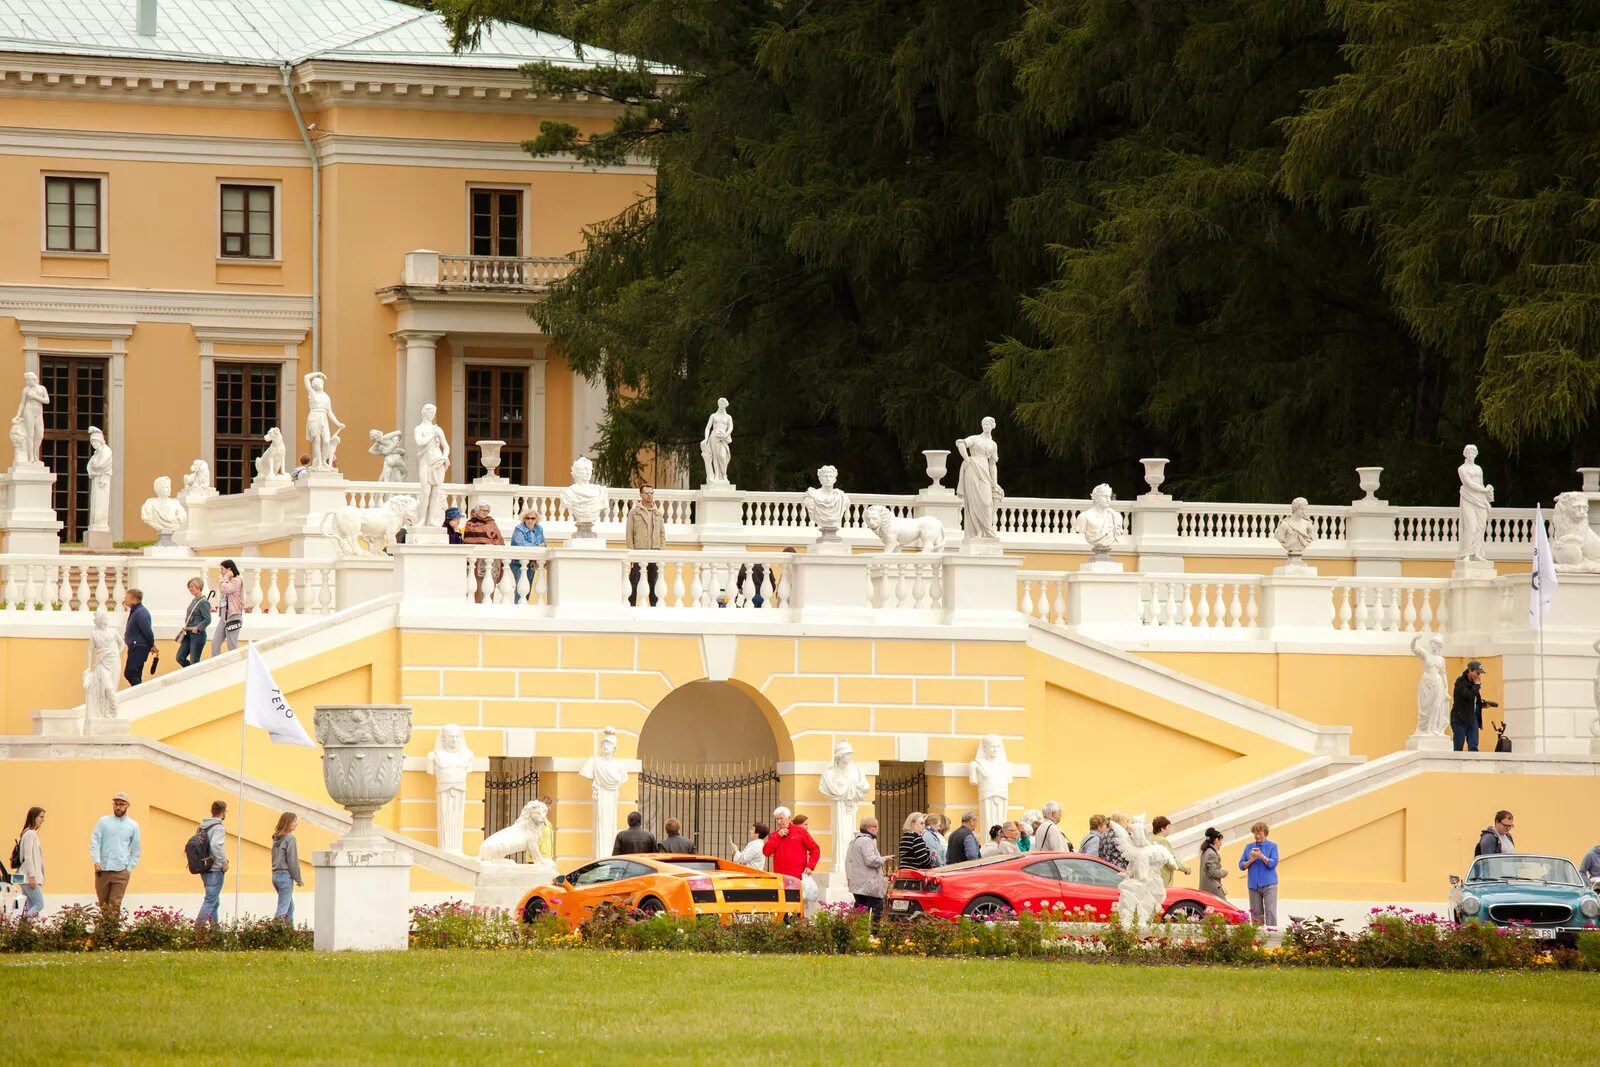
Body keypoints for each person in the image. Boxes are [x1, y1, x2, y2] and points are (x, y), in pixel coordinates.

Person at [89, 792, 141, 913]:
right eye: (116, 804)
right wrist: (96, 860)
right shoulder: (103, 821)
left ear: (127, 806)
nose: (118, 807)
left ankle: (112, 932)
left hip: (121, 871)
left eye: (121, 804)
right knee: (103, 905)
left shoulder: (133, 825)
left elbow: (136, 849)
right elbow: (95, 841)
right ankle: (103, 931)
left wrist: (129, 868)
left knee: (114, 905)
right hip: (102, 870)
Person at [626, 483, 665, 606]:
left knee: (654, 581)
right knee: (635, 580)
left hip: (654, 551)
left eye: (651, 493)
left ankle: (654, 606)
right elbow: (629, 533)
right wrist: (631, 552)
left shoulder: (657, 512)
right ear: (641, 494)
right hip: (639, 551)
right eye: (647, 493)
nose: (649, 495)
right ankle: (631, 606)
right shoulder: (634, 512)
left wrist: (662, 551)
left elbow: (662, 533)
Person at [194, 800, 230, 927]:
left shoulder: (202, 826)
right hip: (215, 868)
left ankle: (216, 932)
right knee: (210, 900)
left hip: (204, 868)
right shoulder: (218, 828)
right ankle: (198, 929)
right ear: (223, 812)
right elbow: (216, 846)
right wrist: (223, 862)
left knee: (214, 901)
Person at [1450, 660, 1498, 752]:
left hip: (1472, 718)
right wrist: (1476, 685)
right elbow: (1469, 695)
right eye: (1477, 673)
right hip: (1460, 718)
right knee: (1458, 747)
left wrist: (1482, 705)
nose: (1479, 676)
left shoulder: (1474, 683)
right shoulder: (1460, 682)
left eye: (1480, 673)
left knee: (1473, 746)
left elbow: (1473, 700)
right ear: (1470, 670)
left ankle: (1473, 765)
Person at [762, 806, 820, 881]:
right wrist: (778, 836)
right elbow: (766, 852)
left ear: (789, 818)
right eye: (777, 819)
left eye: (781, 818)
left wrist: (810, 866)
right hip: (780, 877)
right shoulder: (774, 835)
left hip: (798, 876)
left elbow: (815, 849)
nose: (779, 822)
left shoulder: (800, 831)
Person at [846, 817, 887, 920]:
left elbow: (848, 861)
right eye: (875, 826)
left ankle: (856, 933)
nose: (877, 828)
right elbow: (871, 861)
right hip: (869, 884)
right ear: (869, 827)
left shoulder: (855, 841)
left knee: (860, 910)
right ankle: (874, 934)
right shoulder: (866, 841)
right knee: (876, 909)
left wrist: (849, 878)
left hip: (858, 883)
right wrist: (883, 859)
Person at [1239, 821, 1279, 926]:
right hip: (1253, 886)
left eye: (1260, 833)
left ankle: (1272, 936)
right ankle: (1258, 939)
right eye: (1255, 834)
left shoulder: (1272, 846)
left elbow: (1273, 863)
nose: (1257, 836)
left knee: (1270, 911)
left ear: (1265, 833)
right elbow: (1241, 865)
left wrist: (1262, 857)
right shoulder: (1248, 847)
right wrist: (1251, 859)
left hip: (1269, 884)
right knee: (1256, 914)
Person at [462, 502, 505, 598]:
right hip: (477, 560)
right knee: (478, 584)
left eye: (487, 511)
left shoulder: (491, 522)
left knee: (491, 583)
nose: (486, 513)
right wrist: (486, 542)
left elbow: (498, 538)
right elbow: (469, 540)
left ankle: (489, 605)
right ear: (477, 510)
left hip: (492, 558)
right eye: (483, 510)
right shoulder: (470, 523)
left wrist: (494, 544)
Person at [270, 811, 302, 924]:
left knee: (289, 908)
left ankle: (289, 937)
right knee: (282, 910)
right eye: (294, 821)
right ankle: (272, 935)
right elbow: (292, 860)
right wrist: (298, 879)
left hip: (275, 875)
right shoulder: (290, 839)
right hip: (285, 876)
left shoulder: (276, 838)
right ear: (288, 823)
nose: (296, 824)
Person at [510, 509, 546, 603]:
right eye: (528, 518)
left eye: (533, 518)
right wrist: (537, 546)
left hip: (532, 562)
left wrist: (538, 546)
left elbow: (543, 544)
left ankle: (524, 605)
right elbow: (522, 544)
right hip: (518, 563)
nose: (530, 520)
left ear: (536, 519)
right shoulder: (519, 529)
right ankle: (518, 607)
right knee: (521, 584)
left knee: (528, 586)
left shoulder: (539, 528)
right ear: (524, 519)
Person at [176, 577, 211, 668]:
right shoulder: (194, 600)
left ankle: (194, 674)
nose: (190, 589)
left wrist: (197, 628)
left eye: (192, 586)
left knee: (194, 661)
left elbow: (207, 619)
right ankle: (192, 672)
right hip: (188, 634)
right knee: (180, 657)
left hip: (197, 635)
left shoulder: (203, 602)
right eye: (189, 587)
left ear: (199, 587)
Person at [122, 588, 154, 687]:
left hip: (139, 647)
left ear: (135, 599)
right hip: (136, 647)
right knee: (136, 674)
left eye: (127, 597)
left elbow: (147, 630)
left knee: (130, 673)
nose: (125, 599)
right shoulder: (136, 611)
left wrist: (151, 644)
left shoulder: (140, 612)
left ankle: (142, 692)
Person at [17, 806, 45, 917]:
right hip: (29, 878)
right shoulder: (30, 834)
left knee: (30, 905)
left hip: (27, 877)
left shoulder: (27, 833)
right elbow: (28, 857)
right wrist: (32, 876)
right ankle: (22, 926)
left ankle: (25, 932)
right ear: (34, 817)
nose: (43, 820)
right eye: (41, 817)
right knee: (39, 904)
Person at [212, 559, 243, 656]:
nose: (220, 571)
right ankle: (216, 666)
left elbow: (225, 589)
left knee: (232, 646)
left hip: (233, 617)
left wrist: (225, 578)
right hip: (223, 618)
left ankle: (235, 667)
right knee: (215, 644)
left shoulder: (237, 580)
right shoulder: (226, 582)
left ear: (229, 569)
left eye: (222, 569)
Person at [1150, 816, 1191, 887]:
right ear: (1162, 828)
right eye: (1168, 827)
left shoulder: (1150, 840)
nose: (1170, 829)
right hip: (1163, 881)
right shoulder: (1163, 841)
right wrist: (1186, 868)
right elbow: (1171, 861)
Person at [1198, 827, 1228, 899]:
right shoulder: (1211, 853)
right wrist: (1224, 872)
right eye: (1221, 840)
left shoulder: (1206, 851)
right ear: (1216, 840)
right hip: (1212, 891)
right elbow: (1214, 872)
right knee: (1223, 908)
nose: (1221, 844)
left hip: (1207, 889)